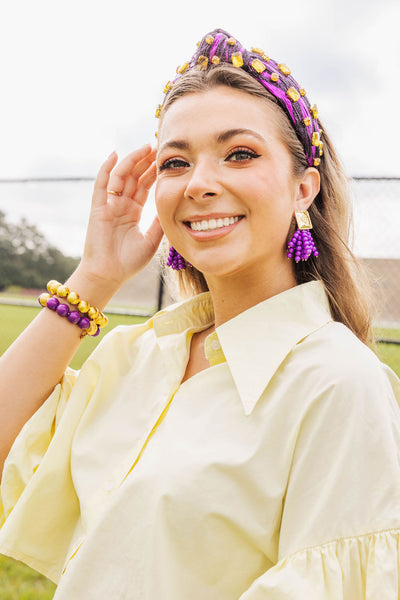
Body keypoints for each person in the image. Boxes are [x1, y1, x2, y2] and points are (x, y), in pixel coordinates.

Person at [0, 28, 399, 600]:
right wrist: (96, 275)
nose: (200, 184)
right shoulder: (134, 356)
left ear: (303, 188)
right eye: (175, 162)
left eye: (240, 153)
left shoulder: (338, 385)